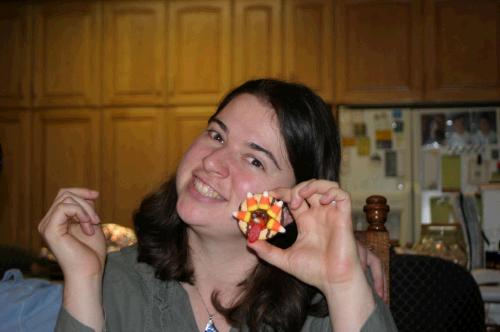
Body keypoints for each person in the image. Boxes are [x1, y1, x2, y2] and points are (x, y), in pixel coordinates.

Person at [38, 79, 397, 332]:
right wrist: (84, 280)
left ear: (289, 206)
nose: (212, 161)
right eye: (216, 135)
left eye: (255, 160)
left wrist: (343, 282)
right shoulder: (114, 280)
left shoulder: (324, 300)